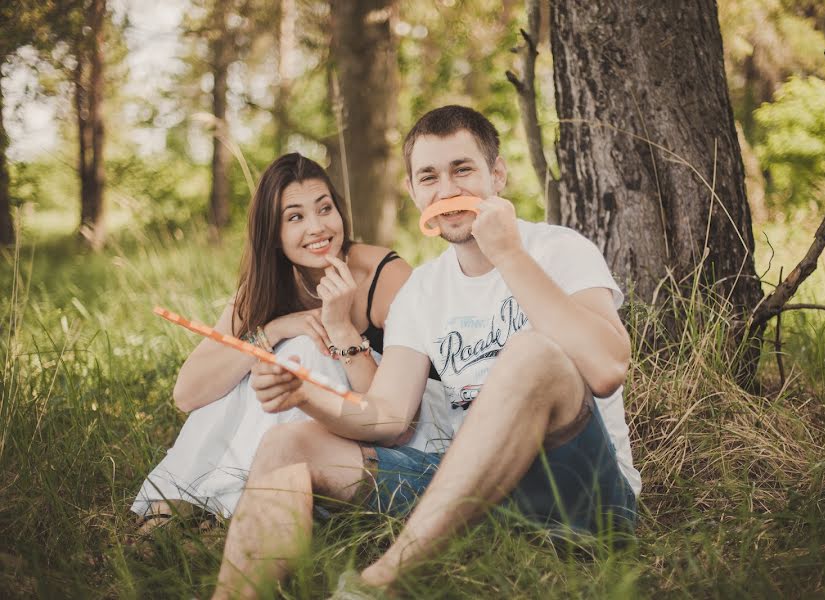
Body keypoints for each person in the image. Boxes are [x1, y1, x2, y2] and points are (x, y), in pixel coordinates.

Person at [212, 105, 641, 599]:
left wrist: (508, 254)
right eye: (429, 177)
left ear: (497, 175)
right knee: (287, 444)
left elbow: (607, 368)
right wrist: (302, 395)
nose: (447, 190)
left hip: (580, 496)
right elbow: (389, 416)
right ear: (415, 193)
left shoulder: (558, 249)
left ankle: (382, 581)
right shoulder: (422, 291)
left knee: (531, 354)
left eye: (463, 170)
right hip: (473, 494)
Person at [131, 153, 445, 531]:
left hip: (406, 435)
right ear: (273, 235)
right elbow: (190, 393)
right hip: (318, 426)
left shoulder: (383, 275)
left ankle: (233, 506)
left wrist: (341, 328)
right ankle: (175, 500)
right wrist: (275, 330)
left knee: (302, 351)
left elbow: (395, 416)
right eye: (295, 217)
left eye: (324, 209)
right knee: (247, 362)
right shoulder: (267, 285)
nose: (317, 228)